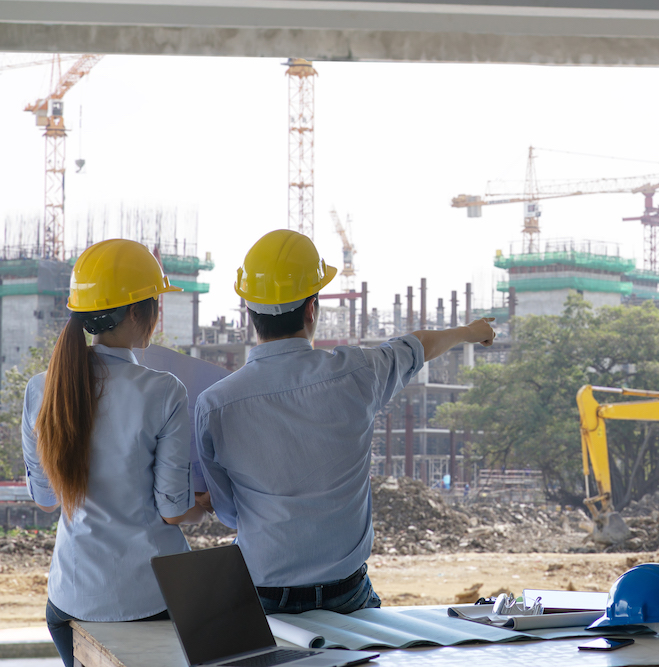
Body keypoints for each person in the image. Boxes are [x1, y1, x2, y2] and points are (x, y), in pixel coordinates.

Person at [195, 229, 495, 615]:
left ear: (249, 312)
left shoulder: (215, 404)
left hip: (263, 594)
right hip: (347, 594)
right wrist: (472, 332)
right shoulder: (359, 371)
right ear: (311, 308)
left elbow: (230, 512)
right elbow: (419, 345)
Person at [21, 239, 206, 667]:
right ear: (140, 312)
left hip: (71, 600)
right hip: (153, 600)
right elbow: (172, 510)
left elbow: (47, 499)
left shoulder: (40, 388)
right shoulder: (164, 391)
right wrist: (204, 507)